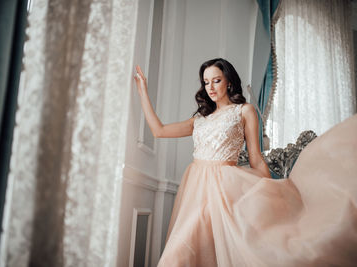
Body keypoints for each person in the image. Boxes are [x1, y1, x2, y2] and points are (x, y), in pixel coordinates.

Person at [133, 58, 357, 266]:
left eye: (216, 81)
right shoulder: (199, 119)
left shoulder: (244, 111)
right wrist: (143, 91)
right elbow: (159, 130)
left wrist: (270, 197)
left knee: (198, 251)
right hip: (196, 189)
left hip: (225, 190)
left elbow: (256, 158)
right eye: (206, 82)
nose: (210, 87)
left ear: (229, 82)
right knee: (181, 253)